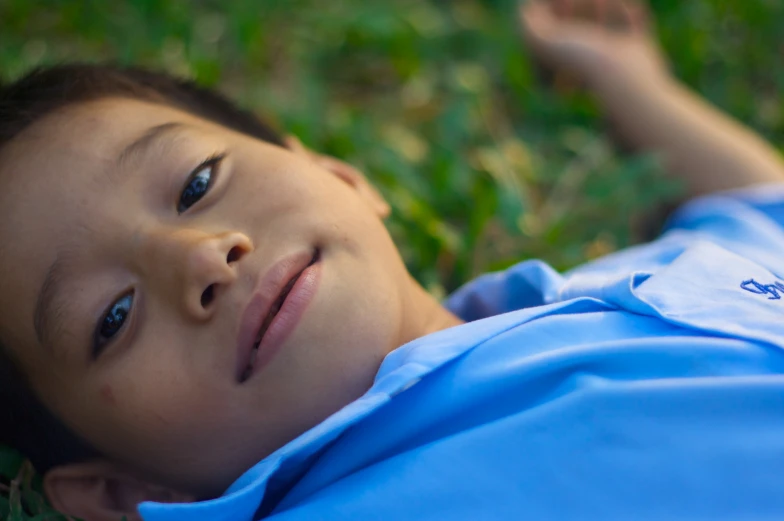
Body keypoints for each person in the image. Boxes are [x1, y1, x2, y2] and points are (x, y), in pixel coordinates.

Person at [1, 0, 783, 519]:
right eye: (112, 316)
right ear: (123, 491)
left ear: (337, 175)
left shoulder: (626, 284)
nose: (203, 258)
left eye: (198, 183)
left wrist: (623, 75)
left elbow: (758, 204)